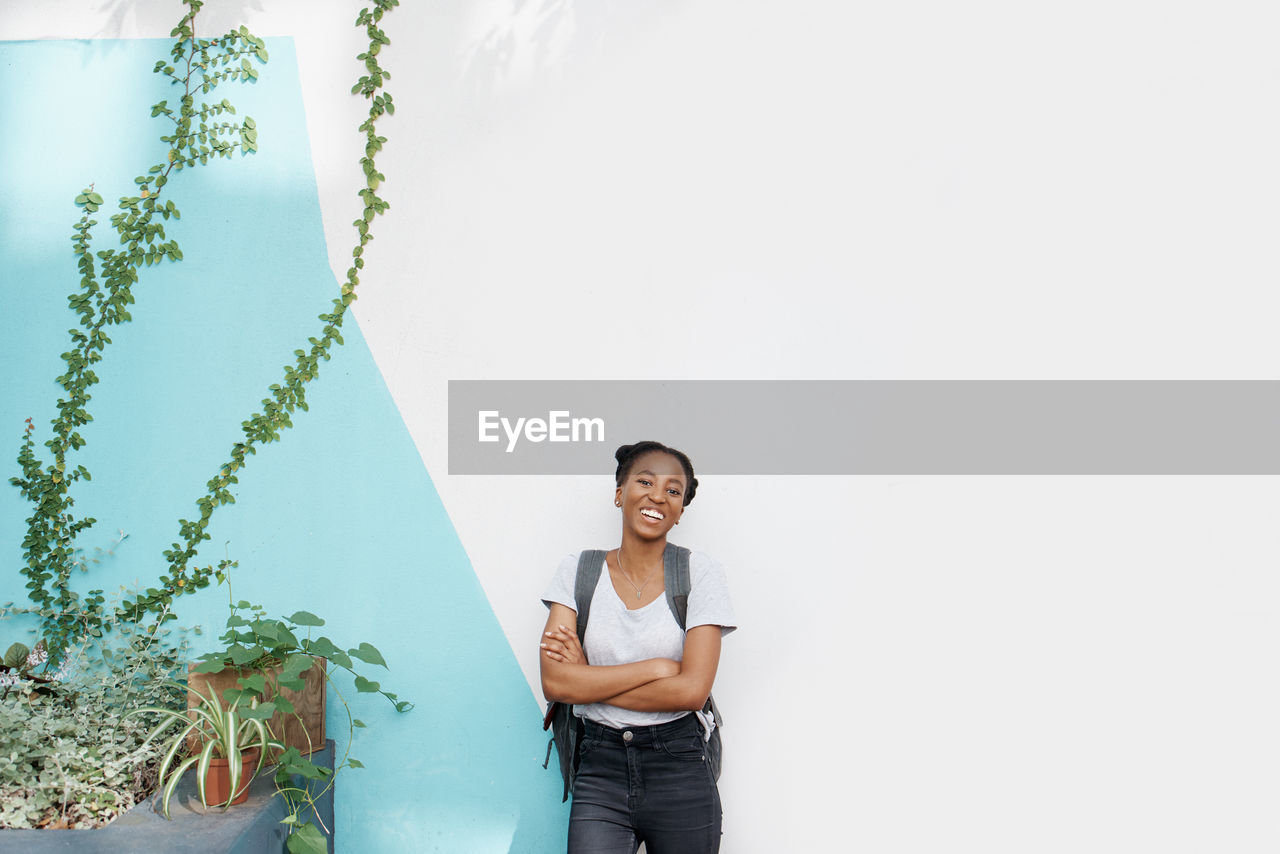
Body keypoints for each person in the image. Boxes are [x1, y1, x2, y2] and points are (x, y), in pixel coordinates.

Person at [540, 441, 736, 854]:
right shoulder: (578, 570)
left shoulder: (700, 573)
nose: (657, 496)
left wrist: (587, 679)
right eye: (645, 481)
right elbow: (556, 683)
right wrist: (659, 667)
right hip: (600, 765)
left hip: (680, 764)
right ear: (619, 492)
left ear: (681, 509)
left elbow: (691, 692)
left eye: (673, 490)